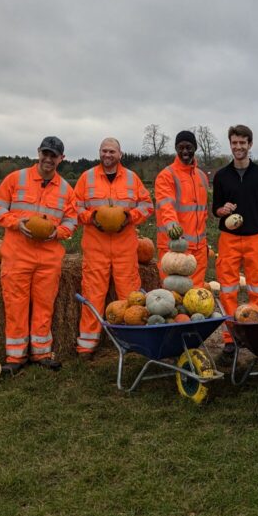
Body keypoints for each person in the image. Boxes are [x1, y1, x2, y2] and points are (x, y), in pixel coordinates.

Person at [0, 136, 78, 375]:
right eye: (45, 153)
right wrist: (16, 223)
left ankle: (41, 353)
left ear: (61, 158)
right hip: (18, 254)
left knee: (44, 305)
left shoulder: (66, 189)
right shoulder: (16, 179)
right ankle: (15, 357)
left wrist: (58, 232)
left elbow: (72, 220)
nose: (48, 159)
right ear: (38, 152)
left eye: (53, 155)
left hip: (49, 258)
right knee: (15, 305)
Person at [73, 137, 153, 360]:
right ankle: (87, 345)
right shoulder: (87, 177)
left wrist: (130, 217)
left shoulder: (131, 178)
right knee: (92, 294)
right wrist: (91, 218)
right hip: (95, 247)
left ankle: (135, 343)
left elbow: (147, 205)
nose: (107, 155)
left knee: (131, 296)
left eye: (112, 151)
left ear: (120, 154)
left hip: (124, 247)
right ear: (99, 152)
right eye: (104, 151)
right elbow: (74, 206)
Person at [212, 124, 258, 357]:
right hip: (228, 239)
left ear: (250, 144)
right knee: (228, 290)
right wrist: (223, 210)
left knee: (257, 288)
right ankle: (231, 337)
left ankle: (256, 334)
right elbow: (215, 209)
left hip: (255, 238)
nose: (238, 146)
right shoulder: (221, 175)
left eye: (242, 142)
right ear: (230, 144)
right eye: (234, 143)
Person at [155, 130, 210, 286]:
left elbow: (203, 210)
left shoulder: (201, 176)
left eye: (188, 147)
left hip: (199, 248)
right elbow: (167, 206)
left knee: (196, 293)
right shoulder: (166, 175)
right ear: (176, 149)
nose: (185, 151)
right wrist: (174, 231)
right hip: (175, 248)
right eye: (181, 147)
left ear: (195, 148)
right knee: (172, 294)